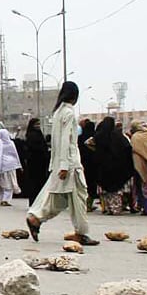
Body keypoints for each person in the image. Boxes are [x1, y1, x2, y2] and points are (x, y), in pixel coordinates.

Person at [26, 82, 98, 245]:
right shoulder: (68, 113)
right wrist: (65, 166)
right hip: (70, 163)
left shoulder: (58, 113)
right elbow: (66, 140)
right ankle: (81, 233)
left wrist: (58, 164)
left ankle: (36, 218)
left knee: (59, 197)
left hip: (60, 162)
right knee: (79, 197)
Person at [91, 116, 133, 215]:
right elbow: (127, 149)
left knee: (107, 189)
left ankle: (108, 207)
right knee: (116, 189)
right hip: (118, 167)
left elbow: (91, 147)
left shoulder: (98, 136)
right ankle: (116, 208)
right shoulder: (119, 136)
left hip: (103, 168)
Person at [23, 118, 49, 203]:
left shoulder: (39, 134)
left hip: (41, 163)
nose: (38, 126)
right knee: (34, 183)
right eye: (36, 124)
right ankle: (34, 201)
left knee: (40, 182)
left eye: (39, 124)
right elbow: (32, 147)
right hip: (34, 163)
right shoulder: (31, 135)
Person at [78, 119, 98, 211]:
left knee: (84, 183)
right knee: (92, 184)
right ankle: (89, 204)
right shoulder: (96, 138)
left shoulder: (80, 137)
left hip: (83, 163)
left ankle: (85, 203)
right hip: (94, 164)